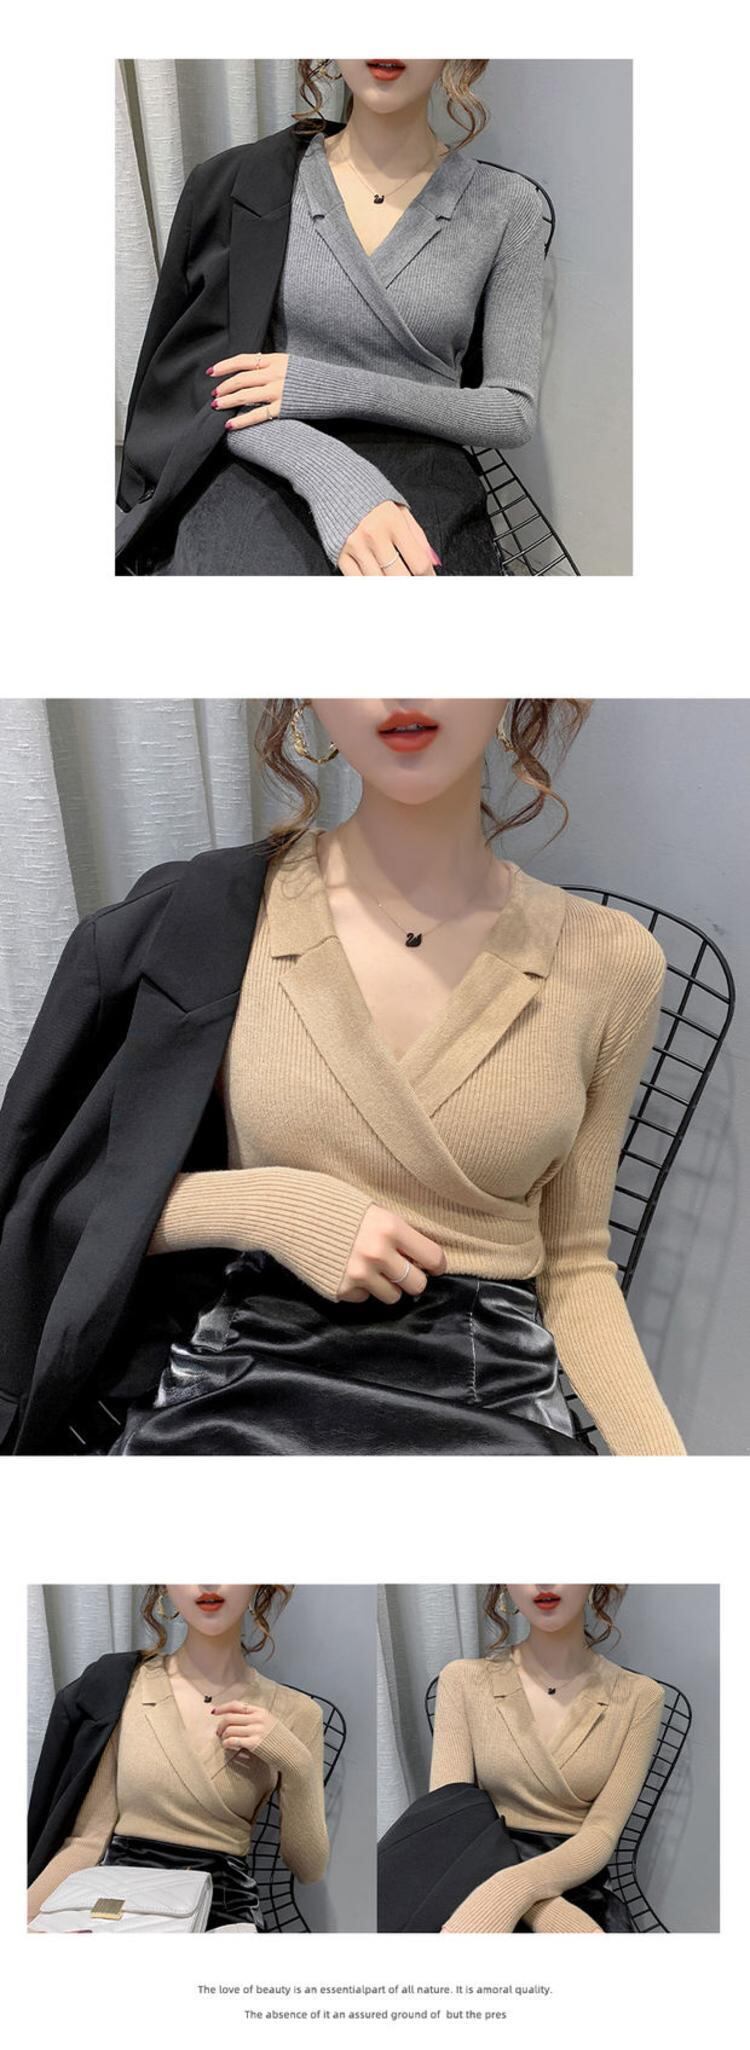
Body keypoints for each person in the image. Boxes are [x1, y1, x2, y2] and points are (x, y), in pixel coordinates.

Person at [0, 698, 686, 1457]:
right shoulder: (212, 919)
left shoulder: (609, 961)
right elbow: (53, 1202)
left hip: (490, 1399)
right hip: (238, 1396)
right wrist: (265, 1206)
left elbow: (575, 1262)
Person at [116, 60, 545, 577]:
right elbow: (215, 386)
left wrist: (323, 386)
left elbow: (511, 411)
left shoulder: (508, 206)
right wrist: (334, 473)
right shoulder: (246, 183)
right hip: (264, 451)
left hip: (425, 466)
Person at [27, 1584, 329, 1930]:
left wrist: (295, 1762)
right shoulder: (124, 1686)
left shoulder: (296, 1713)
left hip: (223, 1914)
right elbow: (87, 1840)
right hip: (123, 1908)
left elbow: (309, 1869)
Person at [428, 1583, 664, 1933]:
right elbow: (448, 1821)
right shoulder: (463, 1681)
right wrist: (515, 1899)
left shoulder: (639, 1697)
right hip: (475, 1879)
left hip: (575, 1887)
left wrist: (515, 1889)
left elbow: (602, 1832)